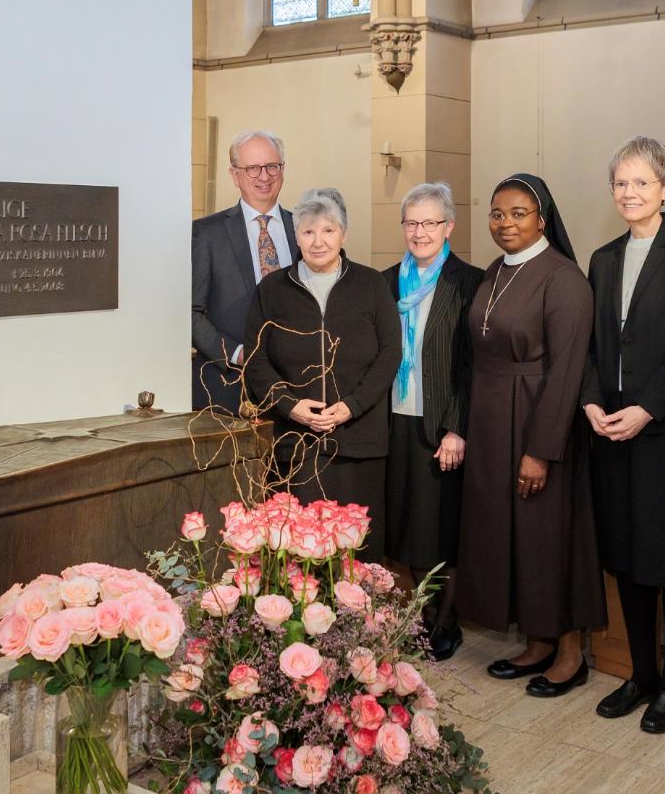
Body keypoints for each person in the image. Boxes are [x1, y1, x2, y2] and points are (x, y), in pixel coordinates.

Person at [580, 137, 665, 733]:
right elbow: (589, 345)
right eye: (620, 183)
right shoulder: (603, 258)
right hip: (611, 428)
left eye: (641, 182)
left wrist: (648, 409)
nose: (629, 193)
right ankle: (639, 674)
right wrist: (590, 400)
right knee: (629, 559)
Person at [456, 173, 605, 697]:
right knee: (511, 536)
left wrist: (540, 450)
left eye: (518, 213)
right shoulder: (495, 272)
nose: (505, 223)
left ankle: (568, 652)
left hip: (541, 421)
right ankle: (536, 641)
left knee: (548, 538)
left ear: (542, 218)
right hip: (494, 421)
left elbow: (566, 371)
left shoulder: (564, 278)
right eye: (497, 213)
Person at [244, 188, 400, 549]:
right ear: (296, 236)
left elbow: (390, 353)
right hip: (296, 445)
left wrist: (352, 406)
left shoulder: (371, 284)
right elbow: (255, 359)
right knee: (300, 552)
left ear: (343, 234)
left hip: (360, 443)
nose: (318, 242)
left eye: (328, 231)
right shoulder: (272, 289)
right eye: (308, 232)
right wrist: (290, 406)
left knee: (358, 552)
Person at [381, 183, 484, 661]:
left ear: (449, 227)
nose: (420, 232)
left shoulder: (469, 282)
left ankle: (446, 621)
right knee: (405, 523)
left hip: (440, 424)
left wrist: (457, 426)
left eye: (430, 222)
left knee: (441, 525)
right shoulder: (385, 283)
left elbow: (472, 365)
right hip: (394, 420)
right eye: (412, 223)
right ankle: (417, 617)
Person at [192, 130, 298, 414]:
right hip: (227, 388)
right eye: (252, 168)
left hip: (295, 389)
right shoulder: (206, 234)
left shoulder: (303, 229)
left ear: (282, 170)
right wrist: (237, 354)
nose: (264, 176)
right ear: (235, 174)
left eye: (271, 166)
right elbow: (190, 313)